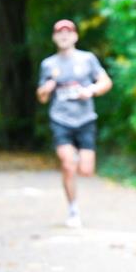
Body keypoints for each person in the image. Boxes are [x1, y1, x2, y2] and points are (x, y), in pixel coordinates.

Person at [36, 19, 113, 228]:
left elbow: (106, 82)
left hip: (85, 119)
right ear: (54, 37)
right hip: (60, 119)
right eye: (59, 32)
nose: (64, 36)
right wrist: (46, 88)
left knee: (86, 170)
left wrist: (91, 90)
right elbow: (41, 97)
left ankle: (78, 158)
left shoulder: (87, 59)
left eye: (68, 32)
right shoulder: (48, 64)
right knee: (67, 164)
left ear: (75, 36)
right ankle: (73, 209)